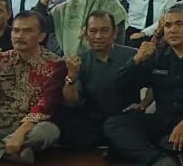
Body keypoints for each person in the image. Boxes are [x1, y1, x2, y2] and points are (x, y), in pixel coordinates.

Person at [104, 4, 183, 166]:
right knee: (114, 125)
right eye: (168, 26)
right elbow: (121, 87)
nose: (172, 30)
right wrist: (136, 61)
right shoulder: (157, 56)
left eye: (179, 24)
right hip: (164, 121)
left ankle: (143, 151)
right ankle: (158, 157)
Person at [0, 11, 64, 164]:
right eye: (16, 31)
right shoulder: (1, 59)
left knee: (48, 132)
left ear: (41, 37)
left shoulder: (55, 64)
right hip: (1, 122)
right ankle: (6, 154)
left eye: (27, 31)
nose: (19, 36)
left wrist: (21, 131)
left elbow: (46, 104)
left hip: (33, 126)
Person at [55, 10, 139, 149]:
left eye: (104, 30)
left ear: (115, 32)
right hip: (91, 120)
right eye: (93, 31)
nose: (98, 36)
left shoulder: (133, 55)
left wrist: (145, 103)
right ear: (85, 34)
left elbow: (157, 82)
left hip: (124, 118)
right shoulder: (80, 60)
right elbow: (71, 102)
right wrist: (71, 76)